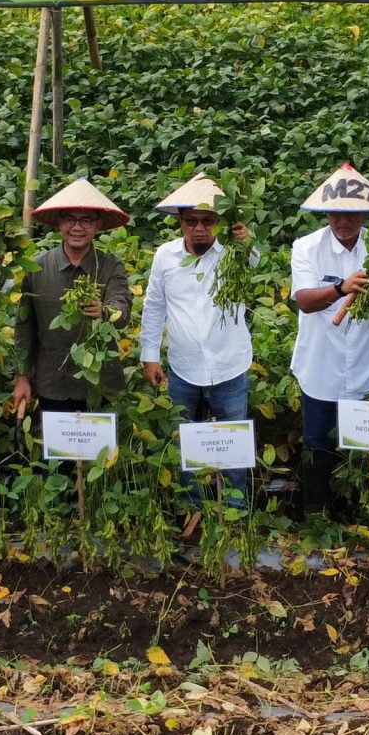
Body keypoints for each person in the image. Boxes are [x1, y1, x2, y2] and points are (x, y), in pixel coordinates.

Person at [140, 173, 255, 504]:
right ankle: (191, 509)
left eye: (207, 221)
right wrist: (149, 355)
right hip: (183, 367)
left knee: (233, 447)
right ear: (181, 222)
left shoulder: (232, 254)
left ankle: (236, 511)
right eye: (192, 221)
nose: (199, 228)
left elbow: (255, 261)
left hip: (229, 365)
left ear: (218, 221)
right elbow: (154, 307)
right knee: (185, 442)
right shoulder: (165, 256)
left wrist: (246, 241)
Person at [289, 163, 369, 515]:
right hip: (320, 366)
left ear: (365, 214)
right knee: (318, 445)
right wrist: (340, 288)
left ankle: (362, 517)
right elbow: (304, 300)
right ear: (326, 212)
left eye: (352, 213)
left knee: (367, 445)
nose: (343, 220)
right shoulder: (306, 247)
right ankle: (318, 517)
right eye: (336, 212)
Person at [13, 178, 133, 420]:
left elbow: (123, 311)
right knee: (59, 454)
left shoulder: (111, 266)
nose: (77, 227)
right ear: (60, 222)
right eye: (70, 219)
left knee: (101, 454)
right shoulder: (37, 267)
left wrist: (105, 311)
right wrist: (22, 376)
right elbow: (24, 328)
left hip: (101, 382)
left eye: (86, 220)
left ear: (97, 225)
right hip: (52, 382)